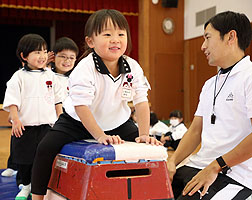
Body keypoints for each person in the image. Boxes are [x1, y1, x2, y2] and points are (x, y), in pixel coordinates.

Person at [31, 9, 162, 200]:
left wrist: (144, 135)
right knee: (44, 149)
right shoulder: (85, 67)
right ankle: (37, 197)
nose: (115, 39)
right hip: (76, 122)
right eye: (107, 34)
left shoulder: (133, 66)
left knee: (149, 149)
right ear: (91, 42)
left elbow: (141, 101)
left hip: (117, 122)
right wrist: (100, 135)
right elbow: (81, 107)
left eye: (121, 34)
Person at [167, 11, 252, 200]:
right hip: (200, 165)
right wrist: (172, 161)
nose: (203, 46)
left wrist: (216, 166)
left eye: (207, 37)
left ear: (231, 37)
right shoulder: (210, 84)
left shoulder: (249, 77)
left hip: (235, 174)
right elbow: (196, 130)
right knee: (154, 190)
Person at [2, 33, 63, 200]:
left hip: (47, 126)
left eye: (44, 51)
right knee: (24, 158)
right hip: (25, 125)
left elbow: (58, 100)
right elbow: (12, 101)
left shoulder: (51, 75)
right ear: (24, 56)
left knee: (44, 158)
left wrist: (60, 120)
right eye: (36, 52)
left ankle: (42, 186)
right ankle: (25, 185)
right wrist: (15, 119)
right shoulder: (19, 76)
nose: (42, 56)